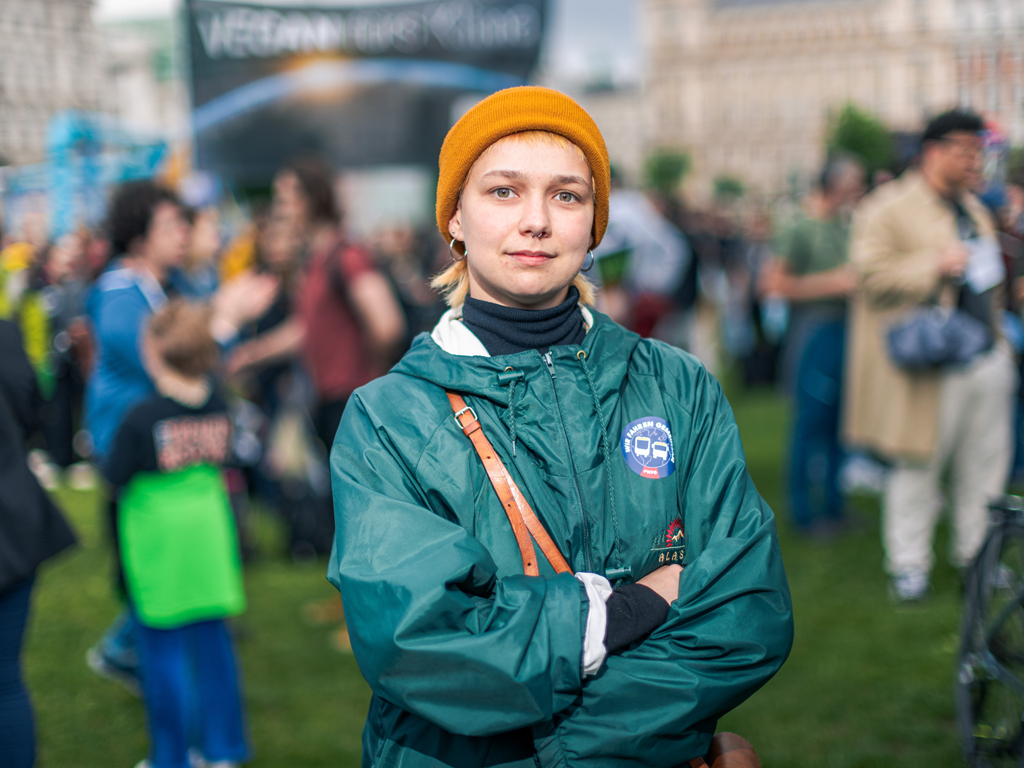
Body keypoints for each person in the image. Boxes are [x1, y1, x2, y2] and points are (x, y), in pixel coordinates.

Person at [327, 87, 793, 767]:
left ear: (595, 222)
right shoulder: (387, 420)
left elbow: (744, 613)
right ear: (455, 217)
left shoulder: (677, 385)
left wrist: (560, 733)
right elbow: (423, 644)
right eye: (504, 192)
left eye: (567, 195)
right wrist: (626, 609)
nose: (537, 221)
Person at [84, 180, 275, 693]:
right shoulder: (121, 294)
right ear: (138, 235)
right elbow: (175, 368)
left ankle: (145, 646)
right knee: (155, 559)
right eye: (173, 225)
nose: (184, 233)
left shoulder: (159, 287)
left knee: (173, 556)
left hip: (160, 446)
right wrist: (227, 322)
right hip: (135, 453)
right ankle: (127, 649)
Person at [844, 109, 1017, 601]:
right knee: (916, 467)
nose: (974, 161)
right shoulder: (886, 207)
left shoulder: (975, 209)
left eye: (978, 152)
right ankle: (908, 567)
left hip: (984, 357)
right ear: (933, 151)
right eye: (966, 151)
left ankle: (976, 558)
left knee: (985, 469)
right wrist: (933, 265)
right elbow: (869, 276)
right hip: (925, 365)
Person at [105, 300, 249, 768]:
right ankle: (222, 749)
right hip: (209, 543)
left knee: (163, 661)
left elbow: (113, 482)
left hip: (157, 551)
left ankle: (172, 757)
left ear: (156, 351)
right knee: (215, 652)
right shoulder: (221, 403)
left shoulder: (140, 418)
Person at [228, 159, 406, 454]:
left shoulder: (347, 256)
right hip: (330, 402)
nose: (278, 210)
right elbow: (306, 328)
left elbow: (387, 326)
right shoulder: (315, 262)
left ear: (311, 200)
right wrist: (250, 355)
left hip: (353, 403)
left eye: (285, 200)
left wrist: (373, 384)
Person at [760, 156, 865, 535]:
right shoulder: (799, 225)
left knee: (840, 421)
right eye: (855, 180)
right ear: (834, 183)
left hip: (844, 329)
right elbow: (772, 284)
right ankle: (804, 513)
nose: (859, 187)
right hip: (814, 331)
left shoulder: (843, 223)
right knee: (811, 424)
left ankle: (835, 507)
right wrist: (834, 283)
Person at [0, 319, 77, 768]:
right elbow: (33, 410)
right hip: (14, 519)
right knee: (6, 680)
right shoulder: (6, 334)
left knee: (6, 681)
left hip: (13, 525)